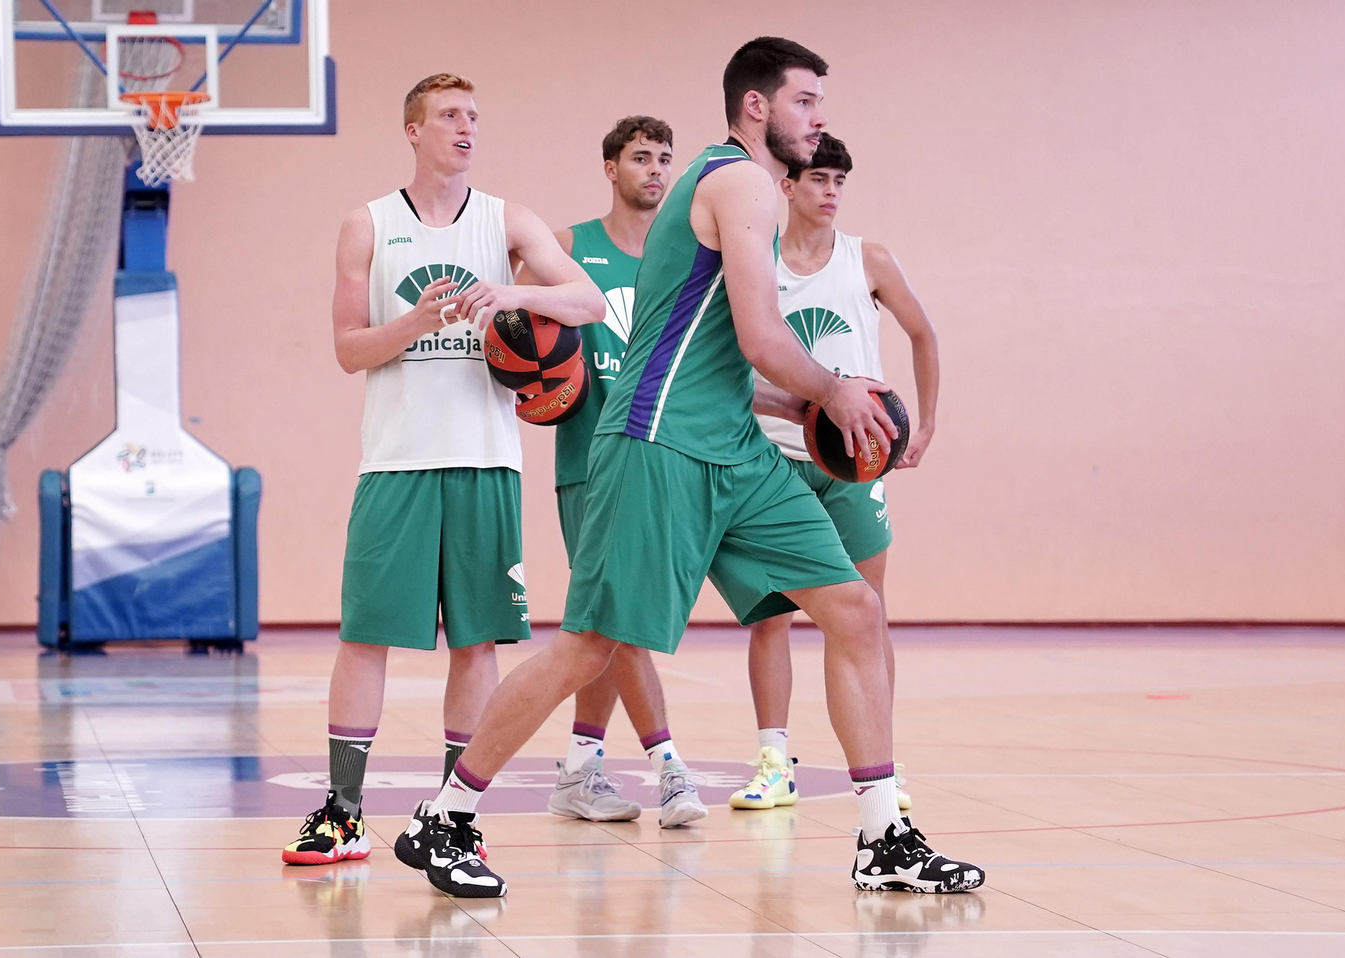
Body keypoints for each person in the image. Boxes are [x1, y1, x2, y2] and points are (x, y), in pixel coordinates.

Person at [396, 38, 984, 899]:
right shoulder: (738, 182)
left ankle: (882, 836)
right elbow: (760, 336)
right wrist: (838, 392)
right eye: (806, 100)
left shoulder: (746, 192)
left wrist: (799, 406)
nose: (820, 117)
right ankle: (444, 818)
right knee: (591, 648)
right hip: (656, 449)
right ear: (757, 107)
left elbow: (719, 357)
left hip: (734, 450)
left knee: (855, 609)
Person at [281, 73, 605, 866]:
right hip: (395, 464)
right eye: (451, 116)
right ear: (413, 130)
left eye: (474, 116)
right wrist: (415, 321)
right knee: (364, 638)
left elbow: (590, 301)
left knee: (477, 645)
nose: (466, 128)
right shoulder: (368, 224)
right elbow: (348, 349)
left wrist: (506, 294)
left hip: (486, 462)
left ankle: (452, 813)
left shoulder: (507, 221)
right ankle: (344, 811)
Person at [729, 133, 939, 813]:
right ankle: (772, 761)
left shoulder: (868, 259)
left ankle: (885, 758)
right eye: (818, 179)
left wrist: (927, 422)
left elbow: (924, 333)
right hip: (776, 456)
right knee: (772, 620)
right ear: (786, 187)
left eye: (839, 182)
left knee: (867, 614)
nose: (830, 192)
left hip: (855, 463)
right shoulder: (756, 262)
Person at [524, 115, 706, 828]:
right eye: (640, 157)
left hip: (658, 458)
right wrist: (532, 381)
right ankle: (670, 768)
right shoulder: (572, 247)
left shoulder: (683, 253)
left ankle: (578, 768)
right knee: (622, 620)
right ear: (610, 167)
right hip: (591, 459)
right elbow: (512, 338)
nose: (656, 170)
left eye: (665, 158)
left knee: (604, 621)